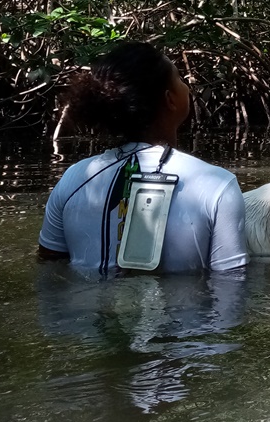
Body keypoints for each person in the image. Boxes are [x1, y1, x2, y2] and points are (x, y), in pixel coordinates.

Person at [38, 41, 247, 275]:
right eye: (179, 78)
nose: (186, 85)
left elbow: (49, 270)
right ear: (170, 99)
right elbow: (231, 288)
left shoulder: (73, 179)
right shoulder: (218, 185)